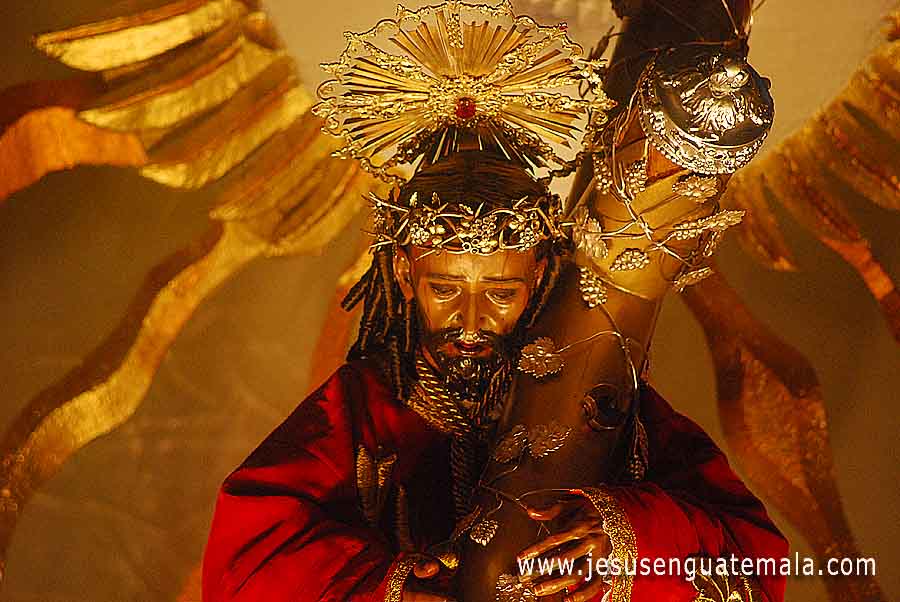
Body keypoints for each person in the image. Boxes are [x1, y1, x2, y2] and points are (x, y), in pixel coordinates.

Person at [203, 3, 786, 601]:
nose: (472, 321)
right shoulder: (365, 411)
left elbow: (757, 565)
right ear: (404, 272)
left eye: (502, 293)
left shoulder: (607, 398)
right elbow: (245, 561)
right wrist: (387, 588)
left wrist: (627, 538)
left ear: (539, 273)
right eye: (445, 289)